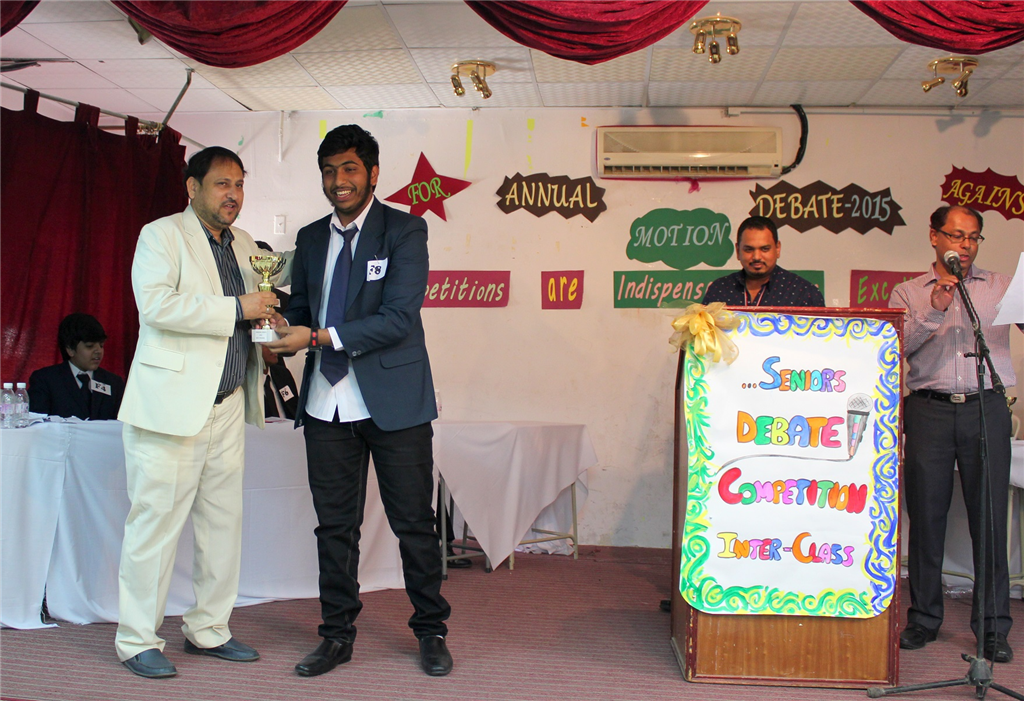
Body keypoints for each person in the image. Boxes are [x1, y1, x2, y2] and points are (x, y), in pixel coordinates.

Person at [265, 124, 452, 678]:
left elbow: (398, 318)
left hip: (395, 403)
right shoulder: (310, 238)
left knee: (413, 523)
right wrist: (277, 321)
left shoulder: (405, 230)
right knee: (334, 528)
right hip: (326, 404)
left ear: (372, 174)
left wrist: (318, 337)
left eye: (349, 169)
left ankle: (431, 630)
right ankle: (336, 636)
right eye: (328, 171)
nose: (338, 181)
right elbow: (303, 310)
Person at [114, 147, 285, 679]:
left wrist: (268, 331)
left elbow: (251, 313)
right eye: (222, 184)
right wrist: (238, 308)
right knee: (155, 525)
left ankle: (209, 629)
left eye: (240, 184)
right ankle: (137, 640)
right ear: (192, 188)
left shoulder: (245, 244)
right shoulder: (161, 235)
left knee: (222, 524)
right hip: (171, 408)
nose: (233, 194)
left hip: (229, 403)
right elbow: (157, 306)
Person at [890, 205, 1021, 664]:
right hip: (929, 410)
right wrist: (935, 306)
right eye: (956, 236)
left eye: (973, 238)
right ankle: (924, 618)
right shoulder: (908, 291)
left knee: (990, 519)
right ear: (934, 237)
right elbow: (897, 346)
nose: (964, 246)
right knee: (926, 518)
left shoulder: (1002, 286)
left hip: (987, 407)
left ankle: (992, 628)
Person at [702, 215, 824, 307]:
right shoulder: (719, 290)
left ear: (777, 249)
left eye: (765, 249)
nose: (756, 257)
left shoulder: (804, 293)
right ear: (738, 251)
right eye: (749, 249)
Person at [28, 313, 124, 420]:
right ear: (70, 349)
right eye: (89, 346)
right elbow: (37, 422)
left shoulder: (114, 383)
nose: (98, 351)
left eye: (101, 345)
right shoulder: (45, 380)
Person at [262, 344, 299, 419]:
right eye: (266, 344)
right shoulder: (246, 385)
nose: (274, 348)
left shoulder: (283, 374)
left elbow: (295, 408)